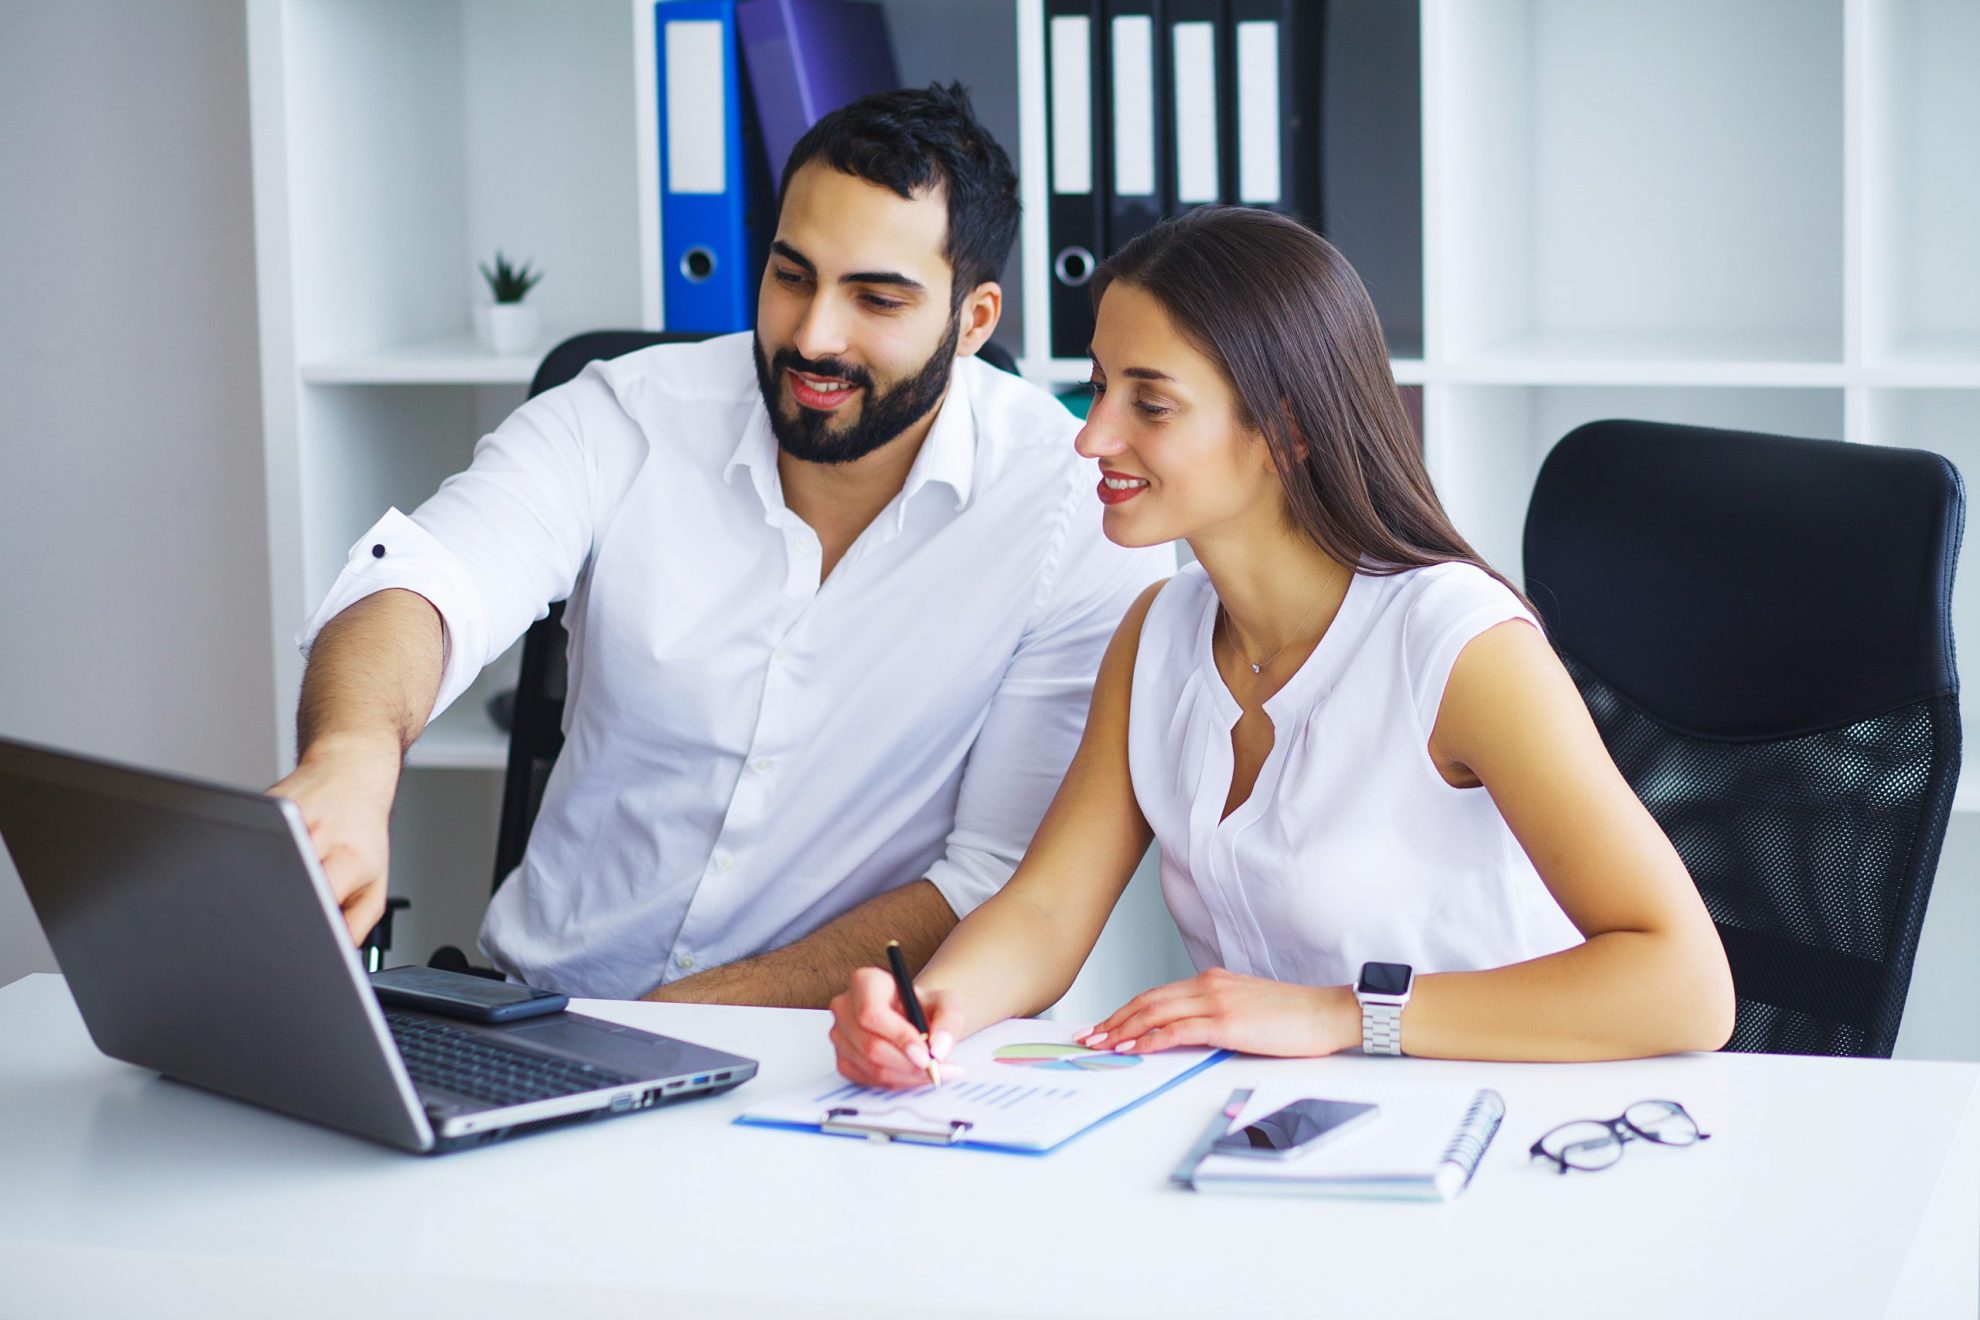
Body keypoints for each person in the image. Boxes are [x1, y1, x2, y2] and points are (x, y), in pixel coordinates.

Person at [271, 84, 1172, 1004]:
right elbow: (427, 580)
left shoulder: (1075, 508)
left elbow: (990, 881)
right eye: (792, 276)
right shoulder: (624, 415)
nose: (814, 335)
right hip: (543, 1014)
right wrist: (349, 756)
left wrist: (673, 1032)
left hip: (819, 1052)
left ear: (974, 319)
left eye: (876, 298)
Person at [829, 206, 1736, 1085]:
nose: (1094, 435)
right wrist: (929, 1010)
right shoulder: (1157, 635)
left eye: (1152, 403)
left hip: (1504, 1135)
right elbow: (1046, 910)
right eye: (1102, 386)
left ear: (1288, 430)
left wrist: (1337, 1014)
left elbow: (1687, 987)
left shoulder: (1459, 647)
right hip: (1276, 1140)